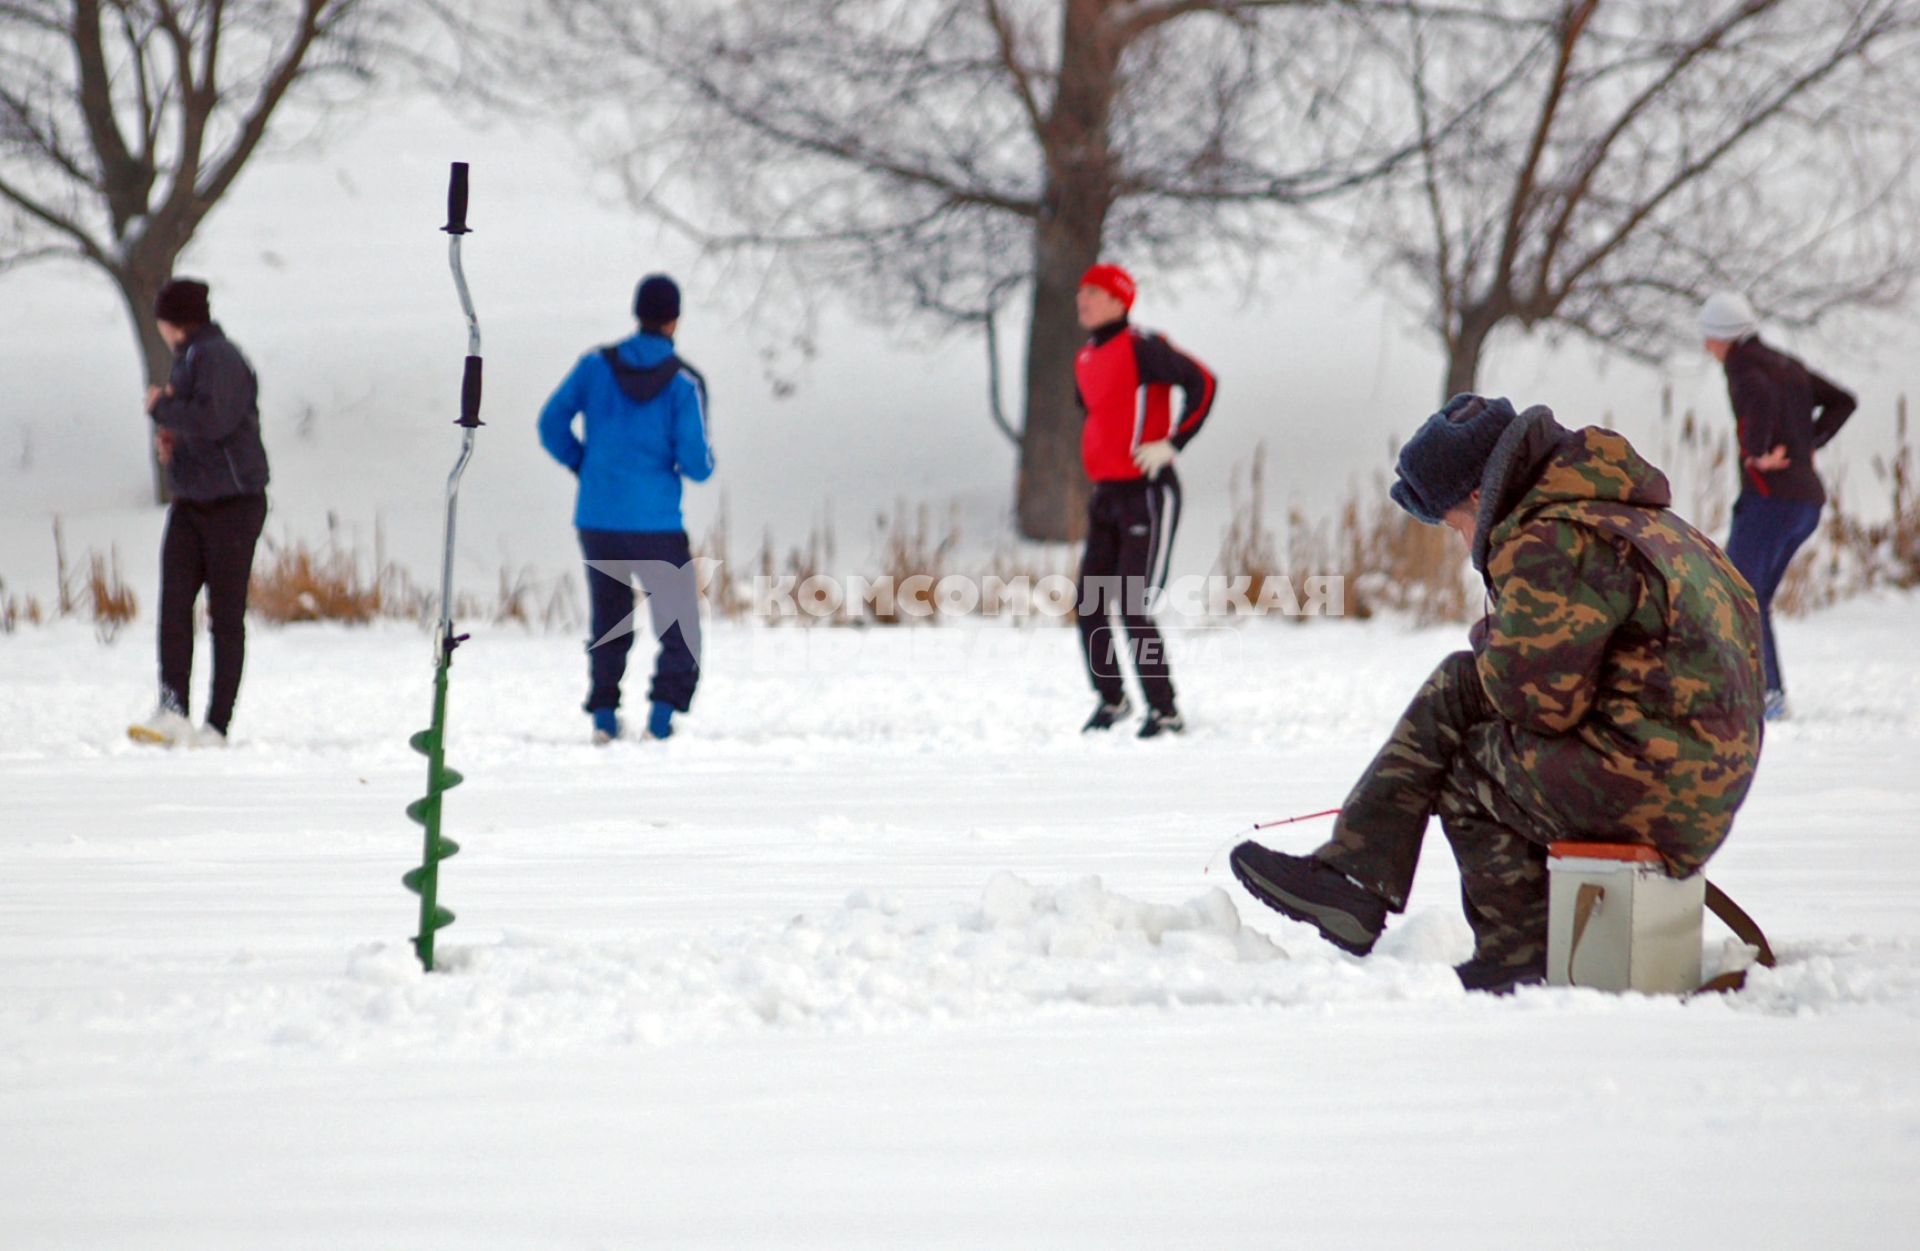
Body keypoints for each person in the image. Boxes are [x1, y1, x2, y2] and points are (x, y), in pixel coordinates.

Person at [1229, 395, 1765, 993]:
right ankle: (1359, 882)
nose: (1463, 545)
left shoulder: (1550, 537)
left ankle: (1480, 936)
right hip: (1696, 777)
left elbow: (1536, 703)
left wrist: (1491, 636)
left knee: (1465, 756)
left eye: (1457, 526)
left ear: (1481, 500)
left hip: (1657, 783)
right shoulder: (1635, 517)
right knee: (1464, 694)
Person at [540, 273, 715, 745]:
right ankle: (659, 720)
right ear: (674, 320)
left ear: (638, 313)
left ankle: (602, 717)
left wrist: (584, 464)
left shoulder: (595, 366)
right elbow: (697, 465)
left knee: (610, 618)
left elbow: (550, 422)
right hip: (656, 521)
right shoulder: (684, 383)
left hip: (598, 518)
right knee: (679, 623)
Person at [1072, 262, 1218, 738]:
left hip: (1146, 493)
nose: (1083, 300)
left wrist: (1174, 442)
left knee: (1134, 603)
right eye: (1082, 292)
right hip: (1106, 495)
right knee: (1090, 603)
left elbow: (1203, 382)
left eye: (1093, 292)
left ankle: (1165, 709)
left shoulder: (1143, 346)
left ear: (1119, 300)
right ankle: (1111, 700)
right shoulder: (1086, 359)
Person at [127, 278, 271, 748]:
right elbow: (202, 428)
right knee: (174, 606)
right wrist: (175, 446)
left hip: (233, 504)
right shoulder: (189, 359)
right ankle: (173, 709)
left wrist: (163, 409)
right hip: (193, 502)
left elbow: (213, 420)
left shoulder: (218, 357)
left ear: (172, 321)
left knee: (225, 616)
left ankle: (216, 726)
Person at [1700, 291, 1856, 721]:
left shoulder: (1743, 366)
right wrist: (1810, 443)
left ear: (1724, 336)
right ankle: (1766, 693)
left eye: (1709, 336)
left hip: (1771, 500)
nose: (1706, 346)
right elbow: (1845, 400)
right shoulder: (1786, 364)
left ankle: (1760, 697)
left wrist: (1757, 451)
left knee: (1735, 593)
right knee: (1752, 597)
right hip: (1805, 504)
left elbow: (1761, 401)